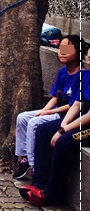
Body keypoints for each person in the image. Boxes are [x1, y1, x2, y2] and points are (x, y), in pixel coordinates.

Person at [13, 35, 84, 179]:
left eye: (68, 48)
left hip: (67, 115)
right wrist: (44, 111)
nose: (62, 52)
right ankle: (24, 158)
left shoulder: (83, 76)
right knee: (23, 117)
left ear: (78, 53)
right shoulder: (62, 72)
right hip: (56, 110)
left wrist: (48, 112)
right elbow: (55, 97)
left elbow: (74, 105)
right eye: (61, 48)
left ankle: (35, 166)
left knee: (34, 123)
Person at [19, 67, 90, 206]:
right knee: (43, 130)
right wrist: (62, 126)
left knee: (64, 142)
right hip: (80, 119)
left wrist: (64, 131)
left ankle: (53, 194)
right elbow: (76, 104)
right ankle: (40, 184)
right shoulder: (86, 76)